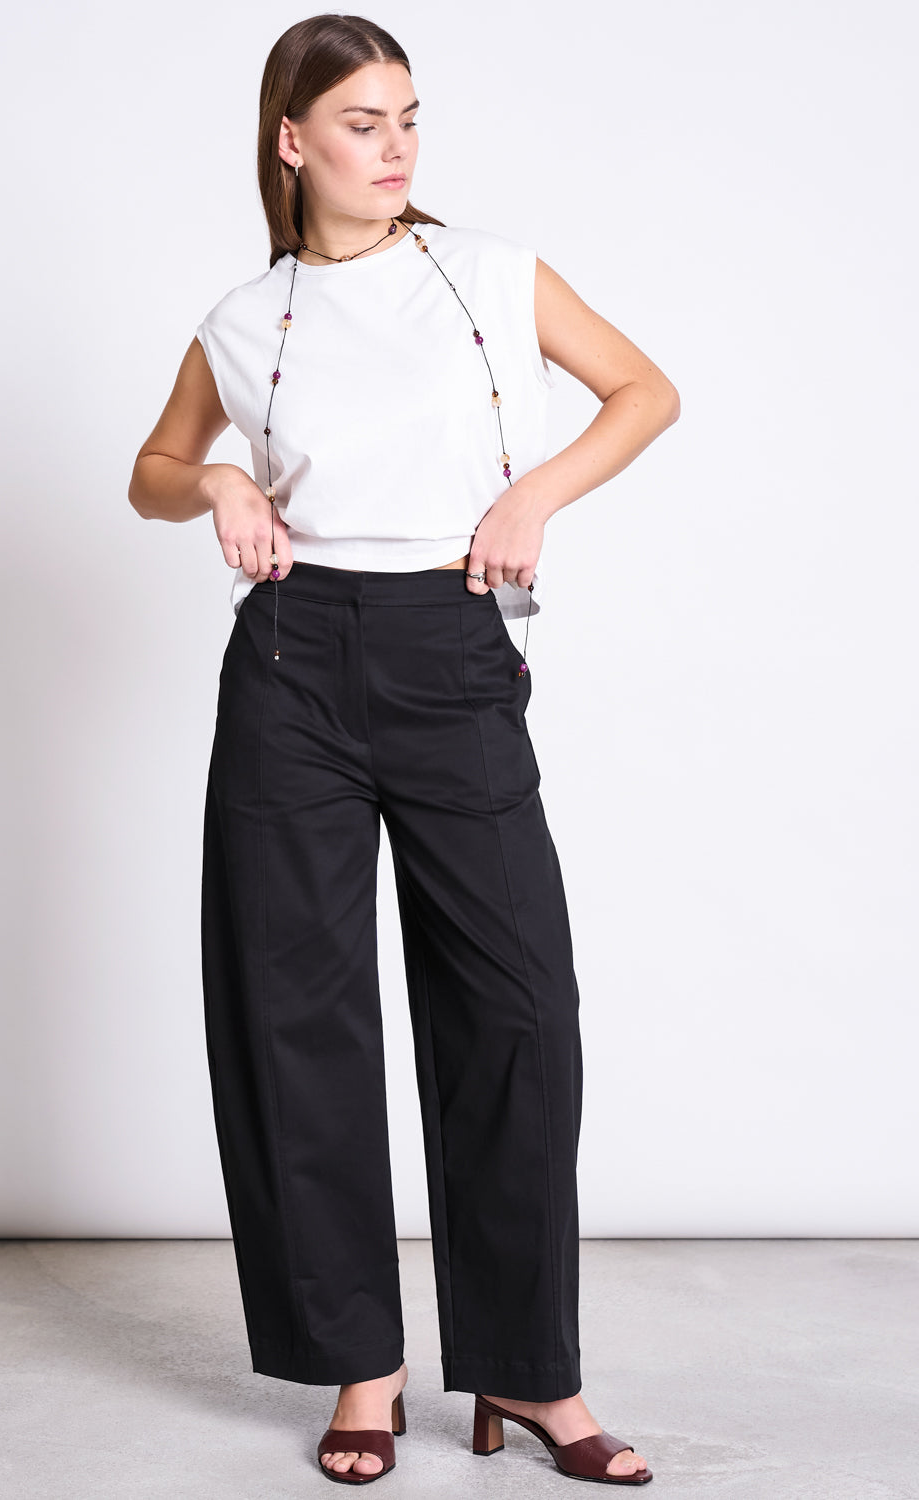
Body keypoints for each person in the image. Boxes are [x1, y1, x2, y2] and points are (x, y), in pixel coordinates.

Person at [129, 14, 678, 1488]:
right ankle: (362, 1369)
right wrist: (226, 477)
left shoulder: (492, 274)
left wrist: (535, 498)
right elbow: (150, 475)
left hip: (454, 652)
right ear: (293, 141)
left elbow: (644, 392)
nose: (398, 148)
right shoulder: (250, 317)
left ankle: (531, 1375)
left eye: (411, 118)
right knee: (295, 1016)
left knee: (516, 1015)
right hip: (294, 667)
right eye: (365, 123)